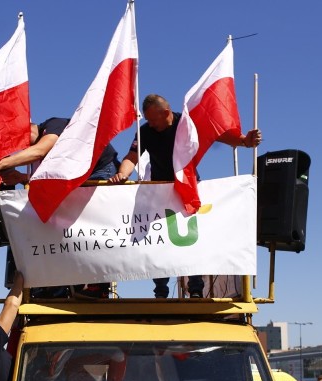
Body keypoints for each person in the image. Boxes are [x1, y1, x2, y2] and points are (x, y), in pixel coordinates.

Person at [109, 94, 262, 298]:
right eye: (147, 120)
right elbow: (132, 157)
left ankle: (196, 288)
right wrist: (122, 174)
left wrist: (244, 141)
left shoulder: (186, 124)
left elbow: (215, 134)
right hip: (160, 190)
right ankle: (161, 291)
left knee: (191, 240)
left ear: (166, 113)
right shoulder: (145, 131)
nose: (150, 124)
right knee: (159, 240)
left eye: (153, 120)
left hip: (187, 189)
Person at [0, 118, 117, 300]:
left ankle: (97, 284)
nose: (23, 144)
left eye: (23, 137)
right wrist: (21, 177)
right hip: (77, 176)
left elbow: (41, 150)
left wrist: (3, 163)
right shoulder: (34, 157)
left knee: (93, 225)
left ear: (32, 127)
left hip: (98, 170)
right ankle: (55, 285)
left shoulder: (53, 124)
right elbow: (47, 179)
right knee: (62, 229)